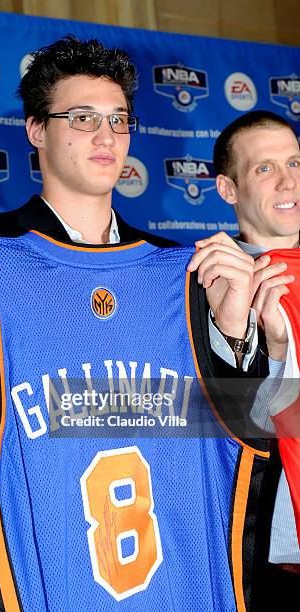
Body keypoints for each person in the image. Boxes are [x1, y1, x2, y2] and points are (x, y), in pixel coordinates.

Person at [0, 36, 264, 607]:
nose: (107, 135)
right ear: (37, 130)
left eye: (118, 118)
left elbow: (253, 447)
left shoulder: (185, 277)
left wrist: (235, 341)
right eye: (81, 117)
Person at [199, 109, 300, 609]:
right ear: (228, 190)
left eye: (295, 163)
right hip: (267, 554)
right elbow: (212, 426)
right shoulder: (204, 285)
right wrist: (274, 353)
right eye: (265, 168)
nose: (289, 181)